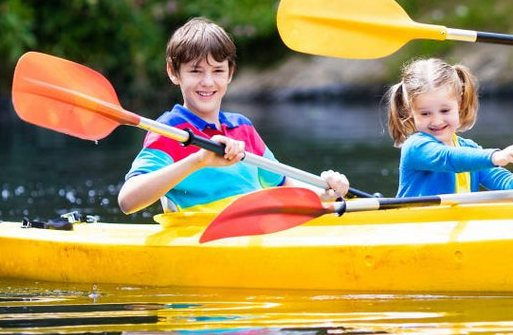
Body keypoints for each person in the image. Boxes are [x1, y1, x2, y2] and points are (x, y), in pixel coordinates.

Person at [118, 17, 349, 214]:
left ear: (230, 74)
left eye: (218, 70)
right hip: (199, 240)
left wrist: (324, 191)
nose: (207, 82)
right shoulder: (170, 130)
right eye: (195, 71)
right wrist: (198, 160)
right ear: (173, 72)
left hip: (255, 231)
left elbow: (283, 182)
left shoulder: (242, 127)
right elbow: (127, 201)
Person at [384, 57, 513, 198]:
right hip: (418, 223)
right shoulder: (415, 147)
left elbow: (503, 181)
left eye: (445, 111)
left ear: (459, 104)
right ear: (410, 111)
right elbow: (447, 158)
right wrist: (495, 156)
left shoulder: (470, 149)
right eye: (425, 113)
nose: (436, 121)